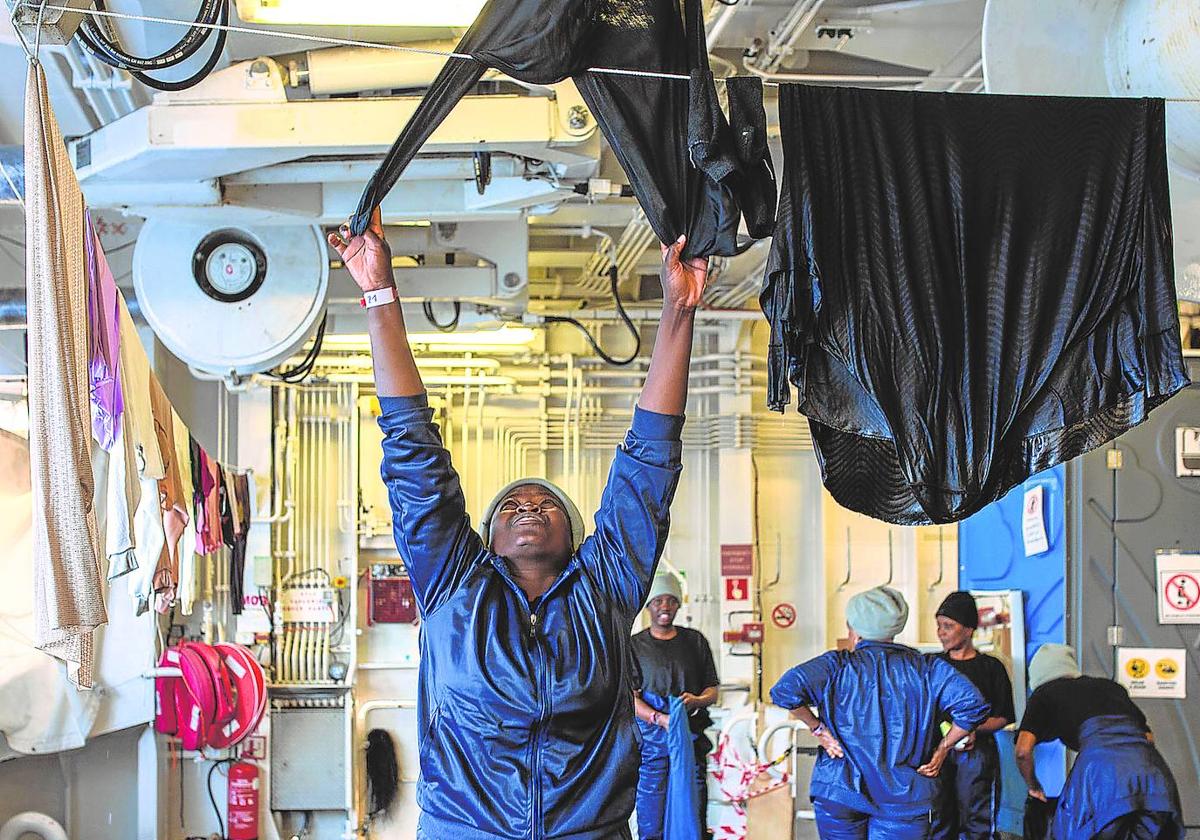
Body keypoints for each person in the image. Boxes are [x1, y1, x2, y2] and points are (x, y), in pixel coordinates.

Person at [329, 209, 710, 839]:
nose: (528, 506)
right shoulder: (453, 585)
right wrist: (378, 293)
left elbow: (649, 466)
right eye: (511, 505)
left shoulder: (607, 589)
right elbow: (413, 457)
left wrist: (679, 311)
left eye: (546, 503)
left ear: (579, 533)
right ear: (486, 534)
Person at [770, 586, 989, 840]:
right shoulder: (927, 668)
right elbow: (973, 705)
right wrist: (943, 748)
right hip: (905, 796)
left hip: (841, 790)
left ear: (856, 629)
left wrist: (818, 729)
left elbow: (784, 691)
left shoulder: (835, 666)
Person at [1015, 644, 1185, 840]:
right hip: (1151, 773)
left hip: (1101, 775)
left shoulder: (1044, 694)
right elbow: (1148, 737)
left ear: (1037, 675)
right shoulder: (1111, 687)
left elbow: (1022, 751)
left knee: (1074, 830)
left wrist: (1034, 786)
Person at [631, 571, 720, 839]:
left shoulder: (695, 642)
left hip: (690, 742)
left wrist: (696, 701)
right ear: (648, 606)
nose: (665, 607)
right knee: (652, 815)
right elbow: (629, 698)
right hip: (652, 747)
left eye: (671, 600)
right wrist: (660, 719)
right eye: (658, 601)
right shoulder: (636, 646)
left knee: (692, 810)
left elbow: (712, 690)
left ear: (679, 604)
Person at [930, 591, 1015, 840]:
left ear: (968, 629)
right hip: (937, 754)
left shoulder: (991, 668)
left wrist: (972, 730)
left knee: (977, 821)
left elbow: (1003, 716)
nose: (941, 633)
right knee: (938, 818)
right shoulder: (933, 666)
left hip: (976, 757)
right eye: (939, 627)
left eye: (948, 626)